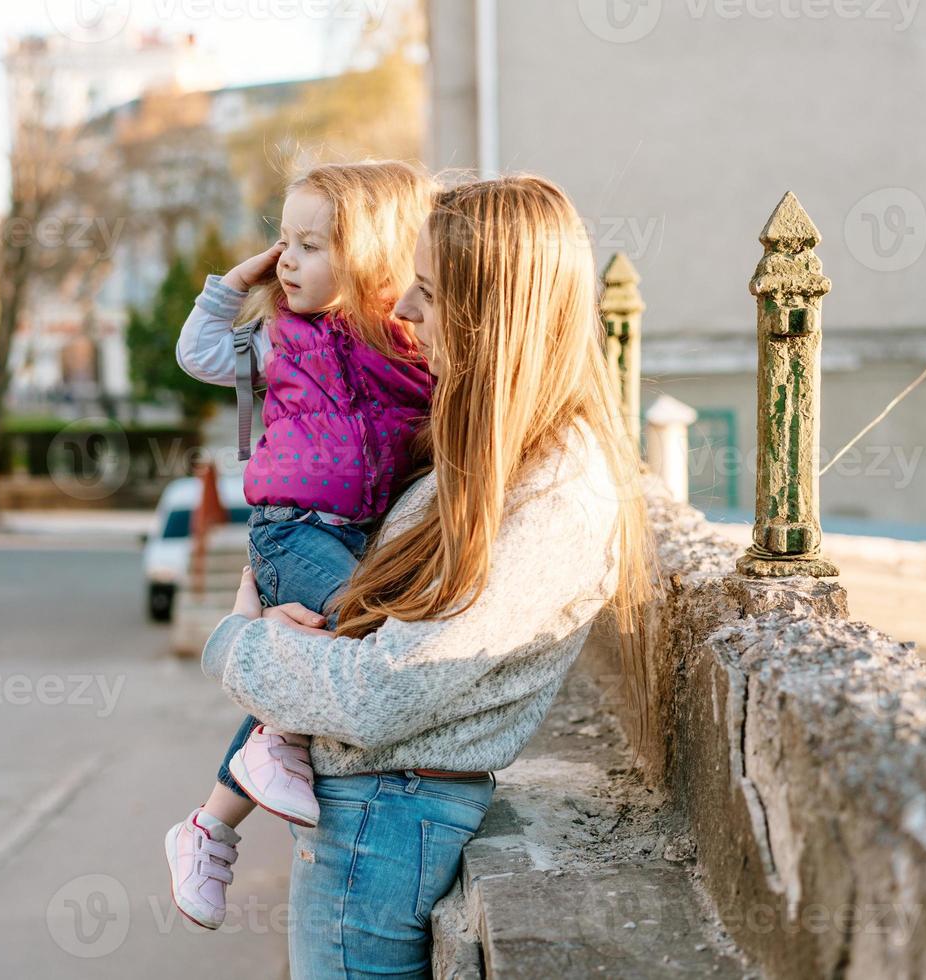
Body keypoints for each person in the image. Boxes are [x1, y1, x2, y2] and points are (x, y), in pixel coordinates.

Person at [204, 175, 660, 978]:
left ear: (496, 315)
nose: (405, 313)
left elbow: (384, 689)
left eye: (429, 291)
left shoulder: (557, 488)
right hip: (367, 816)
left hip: (385, 820)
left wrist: (237, 647)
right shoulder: (482, 455)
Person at [165, 161, 437, 931]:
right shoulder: (279, 340)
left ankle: (210, 825)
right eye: (282, 241)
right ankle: (272, 740)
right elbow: (197, 353)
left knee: (332, 648)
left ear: (373, 255)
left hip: (358, 533)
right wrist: (233, 283)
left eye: (310, 245)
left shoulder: (407, 346)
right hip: (291, 529)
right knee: (360, 629)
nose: (286, 259)